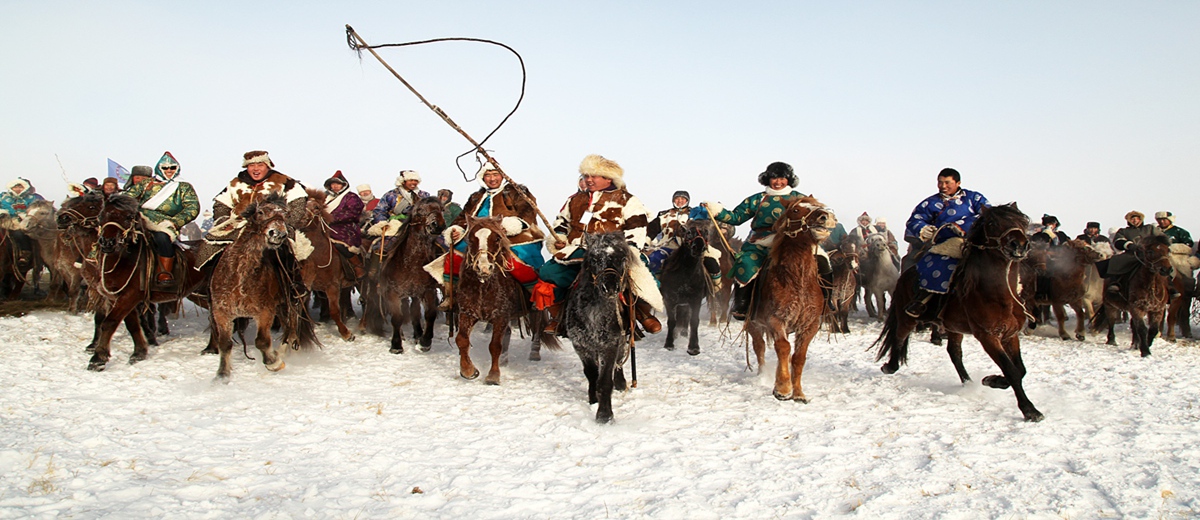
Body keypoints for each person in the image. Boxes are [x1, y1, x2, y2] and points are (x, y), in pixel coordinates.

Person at [535, 154, 661, 334]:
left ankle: (642, 313)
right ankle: (558, 317)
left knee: (644, 278)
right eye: (586, 176)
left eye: (593, 176)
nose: (588, 180)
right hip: (577, 251)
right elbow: (562, 222)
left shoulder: (627, 199)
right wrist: (559, 238)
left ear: (608, 178)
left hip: (613, 252)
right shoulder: (574, 200)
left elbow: (638, 228)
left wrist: (627, 249)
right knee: (548, 273)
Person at [702, 161, 819, 320]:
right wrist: (716, 210)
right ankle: (742, 303)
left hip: (790, 241)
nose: (778, 182)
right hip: (760, 241)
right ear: (767, 179)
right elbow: (736, 217)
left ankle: (825, 300)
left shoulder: (799, 198)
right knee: (744, 263)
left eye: (782, 178)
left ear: (789, 180)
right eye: (774, 178)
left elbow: (814, 215)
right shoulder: (757, 199)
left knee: (821, 261)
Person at [436, 162, 545, 304]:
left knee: (514, 262)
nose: (492, 179)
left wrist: (513, 224)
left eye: (495, 174)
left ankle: (535, 295)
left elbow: (528, 211)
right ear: (482, 178)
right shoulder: (476, 196)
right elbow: (463, 217)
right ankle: (451, 296)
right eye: (487, 175)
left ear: (502, 175)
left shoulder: (515, 191)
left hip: (511, 235)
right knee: (454, 258)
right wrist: (456, 230)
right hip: (478, 236)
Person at [903, 167, 991, 317]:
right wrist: (923, 229)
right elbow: (915, 219)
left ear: (958, 182)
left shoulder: (974, 198)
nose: (943, 186)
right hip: (944, 243)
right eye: (940, 182)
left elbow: (987, 214)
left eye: (947, 182)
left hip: (974, 241)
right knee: (935, 263)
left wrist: (961, 226)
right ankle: (924, 300)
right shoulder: (930, 202)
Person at [123, 153, 200, 285]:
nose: (169, 170)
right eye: (165, 168)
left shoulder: (183, 186)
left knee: (162, 238)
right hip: (141, 218)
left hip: (165, 222)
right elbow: (126, 198)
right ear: (159, 168)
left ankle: (164, 272)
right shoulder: (147, 183)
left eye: (172, 167)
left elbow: (193, 208)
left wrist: (175, 222)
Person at [322, 170, 365, 277]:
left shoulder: (351, 197)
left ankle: (357, 266)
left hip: (345, 226)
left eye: (338, 184)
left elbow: (352, 212)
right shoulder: (325, 197)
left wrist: (331, 218)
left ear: (343, 185)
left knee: (340, 245)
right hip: (324, 225)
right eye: (333, 184)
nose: (335, 186)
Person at [0, 177, 46, 264]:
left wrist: (26, 216)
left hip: (25, 221)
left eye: (20, 187)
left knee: (19, 233)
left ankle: (25, 252)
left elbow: (39, 208)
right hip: (6, 220)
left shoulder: (32, 198)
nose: (17, 189)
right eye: (15, 187)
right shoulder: (3, 197)